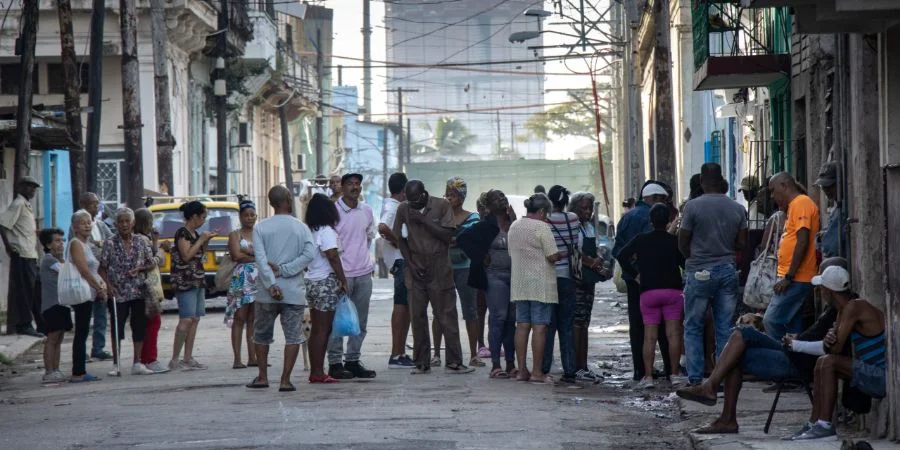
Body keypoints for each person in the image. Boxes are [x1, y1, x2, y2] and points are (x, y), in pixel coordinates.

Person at [791, 266, 885, 441]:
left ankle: (825, 425)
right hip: (871, 374)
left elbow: (835, 349)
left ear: (829, 291)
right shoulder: (843, 311)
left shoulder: (854, 307)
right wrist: (829, 339)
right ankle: (815, 423)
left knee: (828, 362)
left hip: (881, 376)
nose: (820, 292)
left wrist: (830, 340)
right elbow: (832, 348)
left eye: (822, 288)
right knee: (822, 362)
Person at [394, 180, 474, 375]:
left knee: (446, 315)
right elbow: (399, 237)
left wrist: (423, 220)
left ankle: (454, 361)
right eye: (409, 200)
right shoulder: (403, 209)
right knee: (417, 316)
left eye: (416, 200)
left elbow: (447, 236)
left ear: (424, 194)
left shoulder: (442, 205)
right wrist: (410, 263)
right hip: (416, 269)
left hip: (440, 268)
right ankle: (421, 362)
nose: (413, 204)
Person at [678, 163, 748, 385]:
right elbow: (742, 243)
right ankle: (722, 376)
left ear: (701, 182)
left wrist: (694, 257)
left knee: (693, 325)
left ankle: (696, 378)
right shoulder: (737, 208)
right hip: (727, 269)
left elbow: (682, 240)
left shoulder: (692, 207)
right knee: (725, 327)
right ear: (721, 180)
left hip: (699, 270)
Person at [247, 186, 316, 391]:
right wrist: (287, 270)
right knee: (293, 336)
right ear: (288, 199)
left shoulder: (261, 228)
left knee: (261, 335)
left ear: (270, 203)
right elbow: (309, 254)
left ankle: (262, 377)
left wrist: (272, 283)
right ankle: (285, 380)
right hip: (293, 291)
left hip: (267, 293)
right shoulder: (301, 227)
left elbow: (259, 260)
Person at [616, 204, 686, 389]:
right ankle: (674, 374)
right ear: (668, 221)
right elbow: (685, 262)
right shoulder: (673, 241)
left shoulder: (641, 239)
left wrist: (635, 274)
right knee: (673, 334)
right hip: (672, 291)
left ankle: (647, 377)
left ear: (650, 220)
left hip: (648, 292)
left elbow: (622, 256)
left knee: (649, 336)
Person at [612, 181, 672, 383]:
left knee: (637, 326)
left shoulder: (626, 218)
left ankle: (640, 370)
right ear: (653, 199)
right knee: (663, 326)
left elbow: (618, 251)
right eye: (662, 201)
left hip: (633, 281)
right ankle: (670, 369)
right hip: (655, 281)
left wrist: (632, 273)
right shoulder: (652, 217)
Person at [457, 189, 517, 379]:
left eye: (503, 196)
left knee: (511, 320)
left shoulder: (513, 223)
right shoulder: (486, 225)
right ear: (489, 206)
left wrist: (514, 222)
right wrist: (481, 256)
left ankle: (510, 363)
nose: (503, 199)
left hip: (514, 276)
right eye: (498, 198)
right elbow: (463, 239)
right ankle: (496, 366)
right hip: (495, 276)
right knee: (498, 317)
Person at [508, 193, 562, 384]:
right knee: (540, 327)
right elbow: (552, 256)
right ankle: (537, 372)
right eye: (546, 213)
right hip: (540, 285)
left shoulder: (514, 226)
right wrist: (563, 253)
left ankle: (522, 370)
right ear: (541, 211)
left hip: (520, 284)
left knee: (522, 325)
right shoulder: (542, 227)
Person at [328, 173, 377, 380]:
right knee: (338, 322)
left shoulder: (366, 210)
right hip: (342, 274)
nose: (355, 187)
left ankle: (353, 360)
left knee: (361, 321)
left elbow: (368, 238)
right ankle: (335, 363)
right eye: (350, 184)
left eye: (358, 184)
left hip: (364, 273)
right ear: (342, 187)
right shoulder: (333, 211)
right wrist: (338, 274)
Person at [99, 207, 158, 376]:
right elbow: (102, 268)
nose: (124, 224)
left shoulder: (141, 241)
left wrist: (141, 267)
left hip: (138, 290)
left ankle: (137, 362)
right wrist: (107, 285)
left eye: (127, 221)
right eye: (121, 221)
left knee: (139, 326)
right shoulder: (109, 243)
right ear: (116, 224)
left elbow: (151, 262)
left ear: (133, 223)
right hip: (118, 292)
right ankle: (116, 364)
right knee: (117, 328)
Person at [765, 172, 820, 340]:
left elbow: (802, 241)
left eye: (773, 191)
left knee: (771, 321)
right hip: (795, 276)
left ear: (785, 186)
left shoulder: (800, 203)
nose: (773, 196)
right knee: (792, 327)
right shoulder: (795, 205)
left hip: (797, 277)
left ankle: (781, 359)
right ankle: (794, 361)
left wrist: (789, 276)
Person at [436, 176, 482, 368]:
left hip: (465, 268)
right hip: (443, 266)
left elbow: (469, 241)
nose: (449, 197)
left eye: (453, 194)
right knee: (440, 311)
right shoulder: (438, 216)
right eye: (447, 193)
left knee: (470, 311)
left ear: (462, 197)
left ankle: (474, 354)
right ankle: (436, 354)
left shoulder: (473, 218)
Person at [303, 193, 349, 384]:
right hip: (325, 282)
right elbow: (332, 255)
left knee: (316, 330)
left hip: (311, 281)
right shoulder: (326, 231)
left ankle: (316, 371)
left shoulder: (310, 231)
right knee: (323, 329)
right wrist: (343, 279)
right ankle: (318, 372)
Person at [168, 201, 217, 371]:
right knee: (186, 319)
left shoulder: (194, 233)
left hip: (197, 279)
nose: (204, 220)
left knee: (195, 319)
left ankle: (187, 357)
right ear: (194, 216)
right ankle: (175, 358)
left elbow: (199, 254)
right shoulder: (182, 233)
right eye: (203, 217)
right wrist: (202, 239)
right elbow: (187, 255)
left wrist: (205, 241)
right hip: (185, 281)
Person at [68, 192, 115, 361]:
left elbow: (111, 241)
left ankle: (98, 348)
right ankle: (82, 353)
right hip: (84, 280)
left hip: (99, 275)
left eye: (97, 204)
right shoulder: (75, 230)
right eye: (92, 204)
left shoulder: (100, 225)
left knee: (101, 314)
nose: (96, 207)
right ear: (83, 205)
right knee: (84, 319)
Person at [542, 185, 581, 384]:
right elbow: (575, 245)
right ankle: (570, 371)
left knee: (548, 327)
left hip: (549, 277)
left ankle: (544, 368)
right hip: (568, 277)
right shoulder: (573, 218)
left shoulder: (544, 222)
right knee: (566, 327)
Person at [568, 191, 608, 382]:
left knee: (585, 323)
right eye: (583, 208)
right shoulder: (574, 227)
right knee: (578, 323)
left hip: (589, 281)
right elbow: (572, 251)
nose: (588, 212)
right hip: (578, 280)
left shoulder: (589, 227)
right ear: (574, 209)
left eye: (589, 208)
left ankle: (583, 365)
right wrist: (589, 261)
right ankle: (577, 366)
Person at [378, 172, 414, 369]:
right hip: (401, 262)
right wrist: (399, 242)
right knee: (401, 306)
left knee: (406, 307)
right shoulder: (392, 207)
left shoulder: (395, 206)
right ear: (403, 190)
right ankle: (396, 353)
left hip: (401, 261)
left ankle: (400, 352)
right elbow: (382, 227)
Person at [0, 176, 44, 337]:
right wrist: (8, 246)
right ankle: (24, 324)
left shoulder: (26, 205)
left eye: (34, 188)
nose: (32, 190)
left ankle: (38, 323)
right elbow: (3, 225)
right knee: (25, 291)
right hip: (22, 254)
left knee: (34, 289)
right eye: (30, 187)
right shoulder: (18, 203)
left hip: (30, 254)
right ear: (22, 187)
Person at [67, 211, 108, 382]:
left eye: (89, 222)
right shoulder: (76, 243)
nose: (87, 225)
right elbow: (84, 270)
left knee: (84, 331)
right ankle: (78, 372)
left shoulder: (87, 243)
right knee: (81, 332)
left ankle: (80, 370)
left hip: (88, 292)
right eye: (83, 223)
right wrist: (98, 287)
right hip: (82, 292)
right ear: (75, 227)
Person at [133, 208, 170, 374]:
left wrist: (155, 243)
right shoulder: (141, 240)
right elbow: (156, 260)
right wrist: (160, 249)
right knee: (152, 323)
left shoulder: (141, 239)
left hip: (147, 285)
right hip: (148, 286)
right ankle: (150, 358)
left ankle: (145, 358)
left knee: (148, 323)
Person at [226, 200, 259, 369]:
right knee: (239, 318)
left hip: (258, 279)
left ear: (256, 216)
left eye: (252, 215)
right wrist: (256, 258)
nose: (249, 218)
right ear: (240, 217)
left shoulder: (260, 232)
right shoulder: (235, 234)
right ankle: (237, 358)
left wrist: (247, 254)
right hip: (241, 279)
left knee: (254, 319)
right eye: (246, 215)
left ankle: (253, 357)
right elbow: (236, 256)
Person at [38, 228, 70, 383]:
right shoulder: (49, 260)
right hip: (52, 305)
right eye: (57, 241)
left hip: (61, 304)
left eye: (62, 241)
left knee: (59, 338)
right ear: (48, 244)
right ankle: (49, 371)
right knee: (52, 338)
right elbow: (66, 273)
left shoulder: (57, 260)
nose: (61, 244)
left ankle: (56, 369)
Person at [814, 161, 843, 259]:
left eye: (829, 186)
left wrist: (824, 237)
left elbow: (830, 247)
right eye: (824, 187)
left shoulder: (843, 209)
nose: (826, 191)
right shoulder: (836, 208)